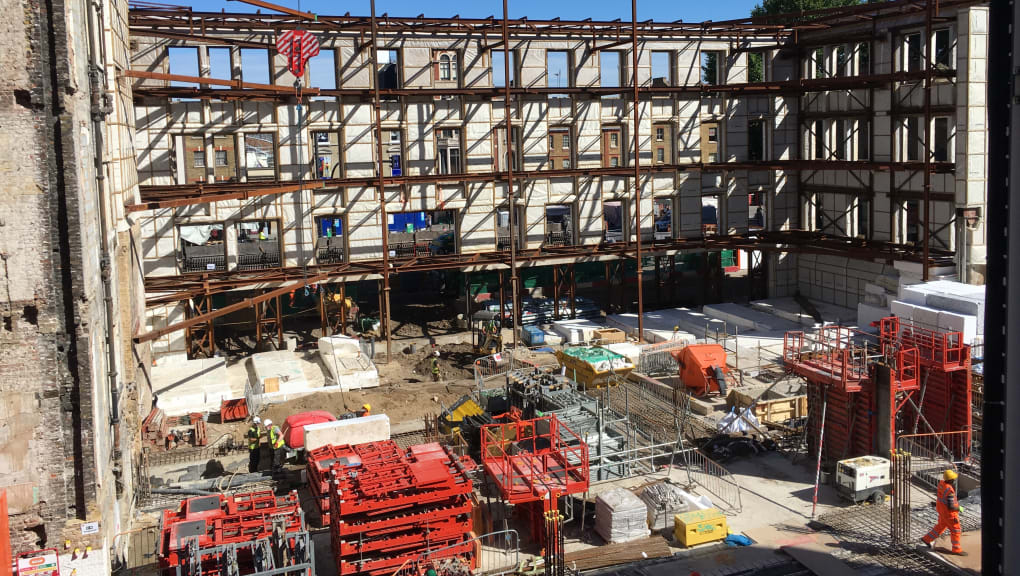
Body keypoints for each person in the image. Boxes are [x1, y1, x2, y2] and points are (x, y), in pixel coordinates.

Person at [922, 469, 966, 555]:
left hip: (942, 511)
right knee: (955, 531)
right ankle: (956, 549)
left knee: (940, 527)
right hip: (949, 514)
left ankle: (926, 539)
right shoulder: (949, 491)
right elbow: (951, 506)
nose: (954, 480)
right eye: (953, 478)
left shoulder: (942, 485)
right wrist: (958, 508)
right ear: (950, 480)